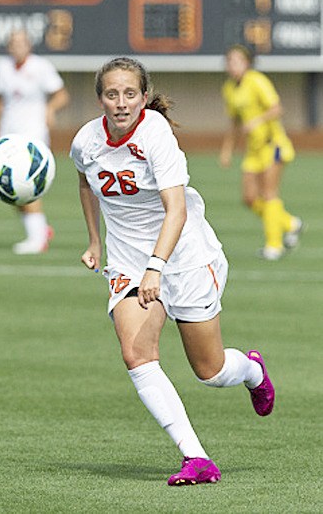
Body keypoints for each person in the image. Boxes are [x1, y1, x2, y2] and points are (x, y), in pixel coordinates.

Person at [69, 57, 275, 486]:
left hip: (184, 256)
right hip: (128, 260)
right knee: (136, 353)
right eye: (112, 94)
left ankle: (252, 370)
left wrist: (156, 269)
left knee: (211, 370)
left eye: (129, 94)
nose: (121, 103)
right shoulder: (87, 140)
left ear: (144, 97)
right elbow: (85, 182)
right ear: (100, 98)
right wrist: (95, 240)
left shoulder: (156, 135)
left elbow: (176, 210)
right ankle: (196, 458)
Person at [0, 29, 70, 254]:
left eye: (21, 42)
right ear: (8, 46)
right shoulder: (2, 67)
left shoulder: (41, 67)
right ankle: (40, 229)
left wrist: (50, 108)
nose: (17, 46)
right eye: (13, 42)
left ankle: (37, 238)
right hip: (8, 135)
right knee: (8, 187)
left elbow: (62, 95)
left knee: (26, 182)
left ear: (29, 45)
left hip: (33, 135)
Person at [219, 44, 303, 261]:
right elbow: (234, 122)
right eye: (230, 61)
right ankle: (289, 224)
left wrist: (257, 121)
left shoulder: (257, 81)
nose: (233, 65)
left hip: (273, 144)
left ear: (247, 63)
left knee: (268, 194)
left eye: (237, 61)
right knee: (249, 198)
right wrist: (227, 150)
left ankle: (274, 245)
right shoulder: (229, 88)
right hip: (253, 150)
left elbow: (276, 108)